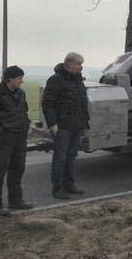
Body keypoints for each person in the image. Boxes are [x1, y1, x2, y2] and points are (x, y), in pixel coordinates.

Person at [0, 66, 33, 216]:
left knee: (18, 169)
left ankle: (16, 201)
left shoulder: (21, 93)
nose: (22, 81)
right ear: (10, 78)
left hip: (20, 137)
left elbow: (23, 111)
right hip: (5, 138)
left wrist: (25, 125)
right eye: (19, 78)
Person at [42, 52, 89, 199]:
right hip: (62, 126)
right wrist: (52, 123)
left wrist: (84, 122)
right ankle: (58, 189)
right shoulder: (56, 80)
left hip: (77, 125)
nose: (81, 67)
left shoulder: (77, 80)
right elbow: (47, 103)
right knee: (60, 158)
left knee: (71, 157)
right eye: (79, 64)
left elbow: (82, 102)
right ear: (70, 64)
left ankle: (69, 185)